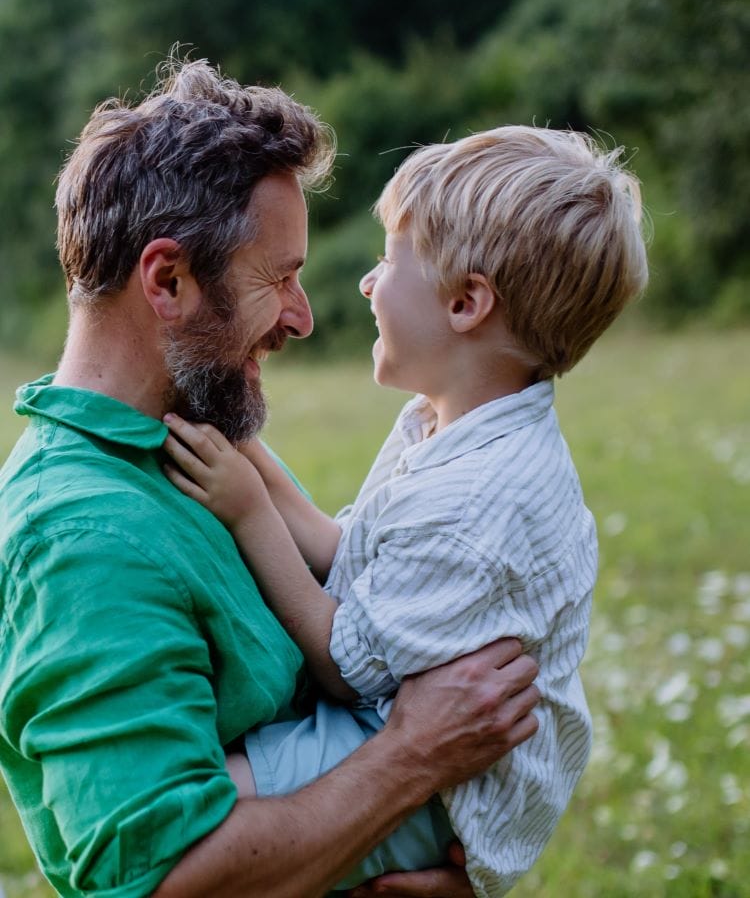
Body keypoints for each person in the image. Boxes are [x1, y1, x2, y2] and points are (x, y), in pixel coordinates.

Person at [0, 58, 541, 898]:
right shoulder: (80, 539)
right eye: (278, 277)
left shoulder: (197, 438)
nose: (304, 315)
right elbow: (166, 881)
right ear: (168, 280)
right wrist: (414, 757)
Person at [163, 126, 649, 896]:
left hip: (433, 788)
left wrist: (251, 510)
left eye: (390, 260)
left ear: (465, 303)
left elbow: (345, 666)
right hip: (404, 725)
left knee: (189, 816)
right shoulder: (447, 424)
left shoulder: (478, 500)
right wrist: (242, 443)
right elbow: (346, 549)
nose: (365, 282)